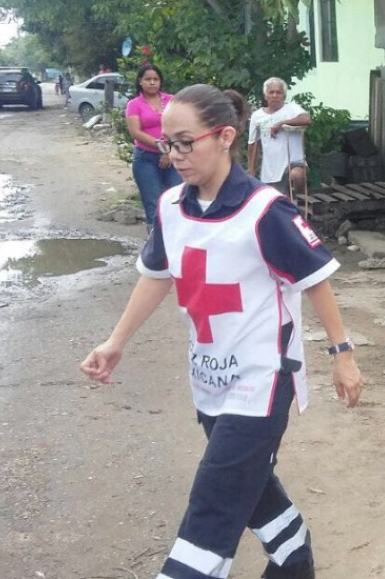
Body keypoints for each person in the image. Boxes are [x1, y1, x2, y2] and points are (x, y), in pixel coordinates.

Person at [80, 84, 363, 579]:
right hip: (209, 380)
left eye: (185, 142)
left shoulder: (265, 210)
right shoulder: (171, 207)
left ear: (226, 136)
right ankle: (295, 560)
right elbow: (156, 275)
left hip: (262, 383)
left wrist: (343, 353)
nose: (174, 156)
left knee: (212, 504)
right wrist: (115, 341)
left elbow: (315, 279)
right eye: (168, 144)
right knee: (250, 489)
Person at [125, 63, 182, 232]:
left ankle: (176, 244)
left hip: (173, 156)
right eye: (148, 79)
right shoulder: (134, 104)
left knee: (176, 200)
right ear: (140, 82)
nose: (152, 83)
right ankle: (155, 248)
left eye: (155, 79)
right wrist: (160, 145)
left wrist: (168, 151)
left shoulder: (171, 100)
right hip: (145, 159)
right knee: (153, 204)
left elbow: (179, 126)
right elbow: (135, 132)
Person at [248, 78, 312, 199]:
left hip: (293, 163)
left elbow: (306, 119)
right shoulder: (257, 116)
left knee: (296, 175)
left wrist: (281, 124)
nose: (275, 95)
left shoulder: (292, 109)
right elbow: (253, 144)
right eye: (271, 92)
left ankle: (300, 198)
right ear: (265, 96)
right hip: (270, 170)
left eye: (278, 92)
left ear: (284, 95)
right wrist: (252, 170)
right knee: (275, 203)